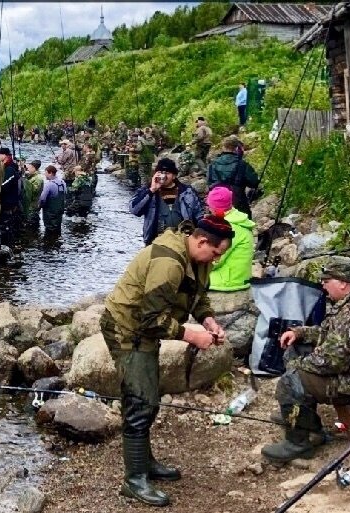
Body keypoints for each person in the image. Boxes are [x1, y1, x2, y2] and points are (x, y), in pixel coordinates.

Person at [100, 216, 234, 507]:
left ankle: (145, 464)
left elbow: (198, 297)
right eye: (215, 254)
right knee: (140, 402)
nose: (216, 260)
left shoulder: (197, 258)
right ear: (201, 241)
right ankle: (134, 480)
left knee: (149, 398)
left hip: (145, 330)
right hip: (126, 329)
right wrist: (192, 336)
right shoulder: (169, 263)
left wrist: (208, 321)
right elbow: (150, 320)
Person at [261, 256, 350, 463]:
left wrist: (297, 367)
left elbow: (332, 361)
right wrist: (300, 333)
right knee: (296, 349)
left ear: (343, 283)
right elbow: (329, 334)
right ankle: (303, 419)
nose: (323, 285)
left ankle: (299, 443)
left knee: (291, 381)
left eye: (326, 281)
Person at [130, 158, 203, 246]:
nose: (163, 176)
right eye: (160, 172)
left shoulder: (187, 192)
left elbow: (199, 216)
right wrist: (152, 190)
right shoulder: (147, 190)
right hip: (156, 241)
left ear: (174, 176)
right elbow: (134, 210)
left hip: (183, 241)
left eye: (167, 173)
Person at [206, 186, 256, 293]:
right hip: (239, 278)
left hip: (227, 281)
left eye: (210, 206)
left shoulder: (228, 228)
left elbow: (216, 261)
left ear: (215, 209)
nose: (209, 209)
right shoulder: (238, 221)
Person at [207, 136, 261, 217]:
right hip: (238, 203)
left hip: (217, 204)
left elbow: (209, 184)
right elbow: (254, 182)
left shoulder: (213, 164)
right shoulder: (242, 164)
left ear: (223, 147)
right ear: (237, 148)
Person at [0, 147, 23, 245]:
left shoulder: (10, 169)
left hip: (8, 202)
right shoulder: (7, 167)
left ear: (5, 156)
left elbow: (3, 186)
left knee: (5, 225)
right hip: (7, 201)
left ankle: (7, 245)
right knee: (5, 225)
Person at [39, 165, 67, 233]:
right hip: (60, 210)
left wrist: (39, 206)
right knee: (58, 227)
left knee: (49, 229)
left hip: (50, 212)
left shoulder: (49, 184)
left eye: (46, 173)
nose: (45, 175)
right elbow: (65, 193)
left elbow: (42, 199)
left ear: (50, 173)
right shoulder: (63, 182)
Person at [21, 160, 44, 230]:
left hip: (32, 206)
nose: (27, 170)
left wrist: (25, 181)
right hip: (30, 206)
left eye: (29, 168)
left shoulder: (38, 178)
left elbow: (33, 192)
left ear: (34, 168)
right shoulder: (32, 176)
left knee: (31, 226)